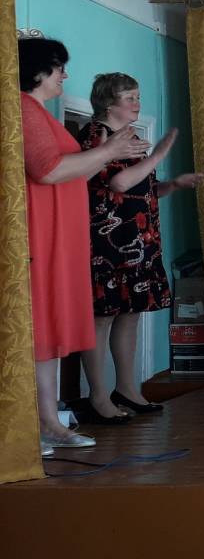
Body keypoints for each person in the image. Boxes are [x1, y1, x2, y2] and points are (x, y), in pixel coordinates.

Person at [18, 37, 150, 453]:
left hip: (58, 233)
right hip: (41, 232)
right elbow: (47, 170)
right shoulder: (24, 109)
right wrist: (110, 150)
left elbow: (70, 170)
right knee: (38, 330)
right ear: (38, 71)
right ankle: (38, 425)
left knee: (46, 333)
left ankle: (49, 423)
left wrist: (112, 152)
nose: (65, 76)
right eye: (59, 68)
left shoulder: (39, 112)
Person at [76, 72, 204, 423]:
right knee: (102, 317)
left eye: (138, 96)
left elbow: (138, 188)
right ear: (108, 103)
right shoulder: (97, 135)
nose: (137, 103)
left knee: (130, 314)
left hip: (138, 240)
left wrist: (172, 185)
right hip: (107, 244)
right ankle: (98, 396)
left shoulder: (130, 139)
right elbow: (118, 183)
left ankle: (127, 389)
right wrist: (159, 154)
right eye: (130, 97)